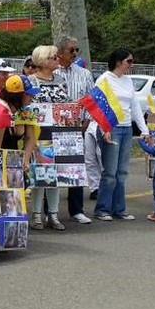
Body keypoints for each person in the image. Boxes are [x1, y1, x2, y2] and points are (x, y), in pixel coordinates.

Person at [93, 48, 152, 221]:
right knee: (110, 172)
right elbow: (99, 106)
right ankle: (102, 208)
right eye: (129, 61)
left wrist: (144, 129)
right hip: (111, 127)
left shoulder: (128, 81)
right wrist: (105, 129)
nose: (131, 65)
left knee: (122, 172)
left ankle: (119, 208)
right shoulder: (104, 79)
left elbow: (135, 107)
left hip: (126, 128)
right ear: (118, 62)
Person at [54, 35, 95, 224]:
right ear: (60, 53)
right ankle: (50, 210)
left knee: (76, 169)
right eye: (71, 50)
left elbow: (90, 99)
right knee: (52, 167)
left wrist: (86, 121)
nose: (75, 53)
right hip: (54, 127)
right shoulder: (52, 72)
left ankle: (76, 210)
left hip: (77, 126)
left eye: (77, 50)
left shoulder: (84, 74)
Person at [27, 45, 67, 231]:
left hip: (58, 133)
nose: (57, 59)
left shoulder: (61, 79)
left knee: (55, 177)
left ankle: (53, 213)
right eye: (53, 57)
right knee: (39, 176)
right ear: (43, 61)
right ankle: (36, 214)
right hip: (38, 133)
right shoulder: (31, 81)